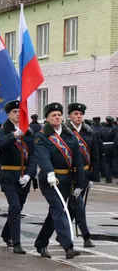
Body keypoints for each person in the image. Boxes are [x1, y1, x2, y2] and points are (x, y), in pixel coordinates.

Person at [34, 102, 87, 259]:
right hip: (50, 180)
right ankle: (68, 247)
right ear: (47, 118)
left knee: (54, 214)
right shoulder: (41, 136)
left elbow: (78, 160)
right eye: (53, 115)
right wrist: (49, 172)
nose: (57, 117)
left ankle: (41, 243)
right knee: (58, 209)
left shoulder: (69, 135)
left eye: (58, 115)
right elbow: (43, 156)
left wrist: (80, 183)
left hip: (66, 179)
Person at [0, 100, 36, 254]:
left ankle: (6, 233)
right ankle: (16, 243)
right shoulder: (2, 130)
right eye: (14, 112)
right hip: (8, 174)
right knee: (15, 206)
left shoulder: (29, 132)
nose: (18, 114)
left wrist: (30, 175)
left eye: (20, 111)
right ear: (8, 114)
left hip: (23, 176)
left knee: (17, 208)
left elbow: (33, 157)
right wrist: (14, 135)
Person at [66, 103, 98, 247]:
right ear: (69, 116)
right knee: (77, 205)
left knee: (73, 207)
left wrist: (93, 177)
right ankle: (86, 236)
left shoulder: (90, 132)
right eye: (76, 114)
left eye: (81, 114)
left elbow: (95, 156)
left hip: (84, 173)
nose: (79, 116)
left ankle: (63, 234)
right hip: (69, 174)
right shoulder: (64, 132)